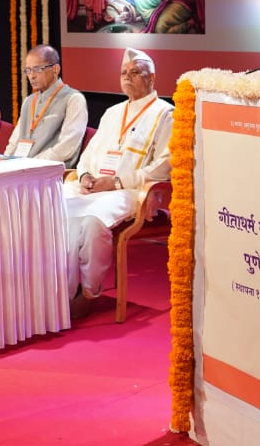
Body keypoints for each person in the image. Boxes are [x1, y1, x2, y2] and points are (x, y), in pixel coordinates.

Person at [64, 47, 173, 317]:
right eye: (124, 72)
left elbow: (164, 166)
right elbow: (88, 154)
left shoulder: (166, 114)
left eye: (135, 72)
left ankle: (88, 292)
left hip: (132, 191)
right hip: (95, 186)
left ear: (151, 78)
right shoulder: (112, 112)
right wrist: (85, 175)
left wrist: (114, 182)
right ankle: (62, 289)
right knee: (57, 209)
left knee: (93, 222)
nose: (127, 76)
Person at [4, 44, 88, 166]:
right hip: (20, 166)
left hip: (47, 170)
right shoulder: (29, 100)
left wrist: (32, 163)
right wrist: (4, 163)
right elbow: (14, 141)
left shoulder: (73, 99)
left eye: (37, 69)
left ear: (55, 69)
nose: (31, 76)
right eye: (28, 70)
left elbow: (66, 147)